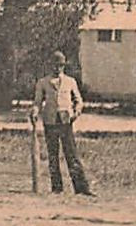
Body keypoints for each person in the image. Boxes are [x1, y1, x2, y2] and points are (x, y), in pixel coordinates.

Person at [31, 51, 91, 196]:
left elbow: (79, 101)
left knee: (71, 154)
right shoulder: (43, 82)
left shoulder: (70, 81)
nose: (57, 68)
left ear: (64, 66)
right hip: (50, 121)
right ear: (50, 66)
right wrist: (34, 112)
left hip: (65, 121)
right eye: (55, 65)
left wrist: (76, 113)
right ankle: (57, 188)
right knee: (53, 155)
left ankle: (81, 188)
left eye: (60, 66)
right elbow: (38, 102)